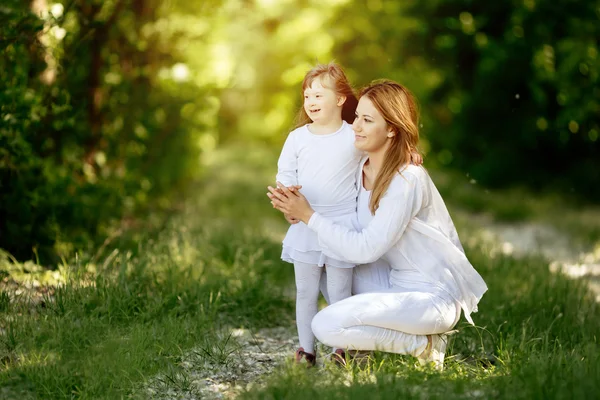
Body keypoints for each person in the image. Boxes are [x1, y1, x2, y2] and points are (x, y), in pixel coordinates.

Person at [268, 80, 487, 370]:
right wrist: (292, 208)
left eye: (367, 120)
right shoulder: (359, 168)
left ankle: (423, 344)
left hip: (430, 296)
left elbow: (365, 249)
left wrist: (309, 216)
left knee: (326, 324)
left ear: (392, 128)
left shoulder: (407, 179)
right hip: (391, 282)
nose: (355, 126)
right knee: (319, 266)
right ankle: (366, 345)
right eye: (357, 116)